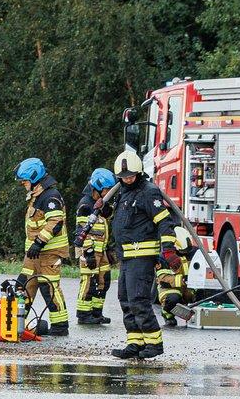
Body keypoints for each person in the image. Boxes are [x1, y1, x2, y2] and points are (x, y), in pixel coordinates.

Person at [107, 148, 185, 360]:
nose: (128, 179)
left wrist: (168, 249)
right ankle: (135, 342)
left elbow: (164, 222)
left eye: (131, 176)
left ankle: (154, 343)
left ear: (139, 172)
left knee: (139, 300)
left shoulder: (148, 192)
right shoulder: (123, 192)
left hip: (142, 256)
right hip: (127, 257)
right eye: (124, 177)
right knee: (125, 300)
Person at [16, 157, 70, 336]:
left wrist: (39, 242)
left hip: (49, 251)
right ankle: (17, 322)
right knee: (23, 284)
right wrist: (35, 246)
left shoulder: (50, 196)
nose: (23, 184)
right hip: (34, 253)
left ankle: (60, 326)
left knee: (49, 287)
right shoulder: (37, 196)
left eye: (24, 181)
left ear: (34, 178)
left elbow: (55, 222)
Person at [73, 168, 116, 326]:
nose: (108, 192)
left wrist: (107, 248)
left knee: (104, 280)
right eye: (107, 189)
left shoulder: (100, 203)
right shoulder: (86, 205)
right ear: (97, 187)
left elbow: (102, 227)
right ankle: (84, 314)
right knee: (89, 282)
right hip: (89, 250)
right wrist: (89, 252)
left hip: (101, 250)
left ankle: (97, 312)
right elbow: (82, 231)